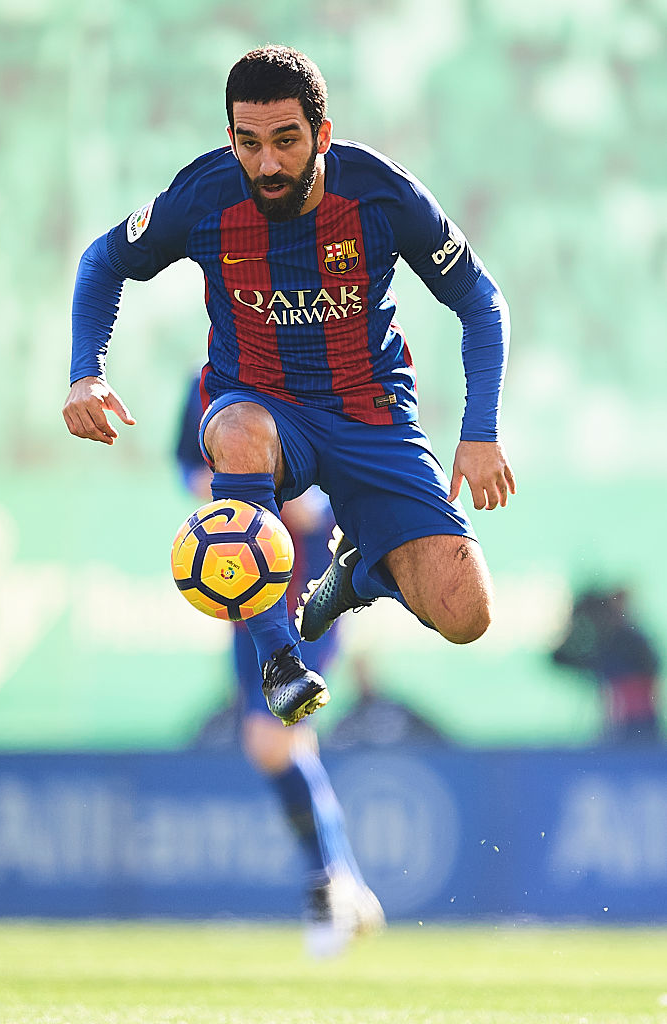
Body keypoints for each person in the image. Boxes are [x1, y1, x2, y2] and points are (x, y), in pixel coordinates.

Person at [63, 45, 515, 734]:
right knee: (235, 431)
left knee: (465, 614)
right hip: (262, 408)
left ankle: (358, 573)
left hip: (372, 416)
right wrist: (86, 372)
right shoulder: (203, 196)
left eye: (285, 141)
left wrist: (480, 433)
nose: (268, 163)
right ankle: (278, 658)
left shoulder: (381, 193)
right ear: (231, 139)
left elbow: (480, 301)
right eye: (249, 144)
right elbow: (103, 261)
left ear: (322, 134)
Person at [176, 374, 384, 955]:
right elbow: (185, 462)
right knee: (281, 744)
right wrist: (219, 487)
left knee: (272, 740)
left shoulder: (318, 367)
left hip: (309, 587)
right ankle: (346, 884)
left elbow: (338, 485)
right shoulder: (204, 381)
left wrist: (294, 499)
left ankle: (330, 886)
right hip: (243, 589)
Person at [551, 586, 662, 745]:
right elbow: (560, 658)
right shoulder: (609, 640)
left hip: (636, 720)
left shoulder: (628, 640)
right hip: (621, 722)